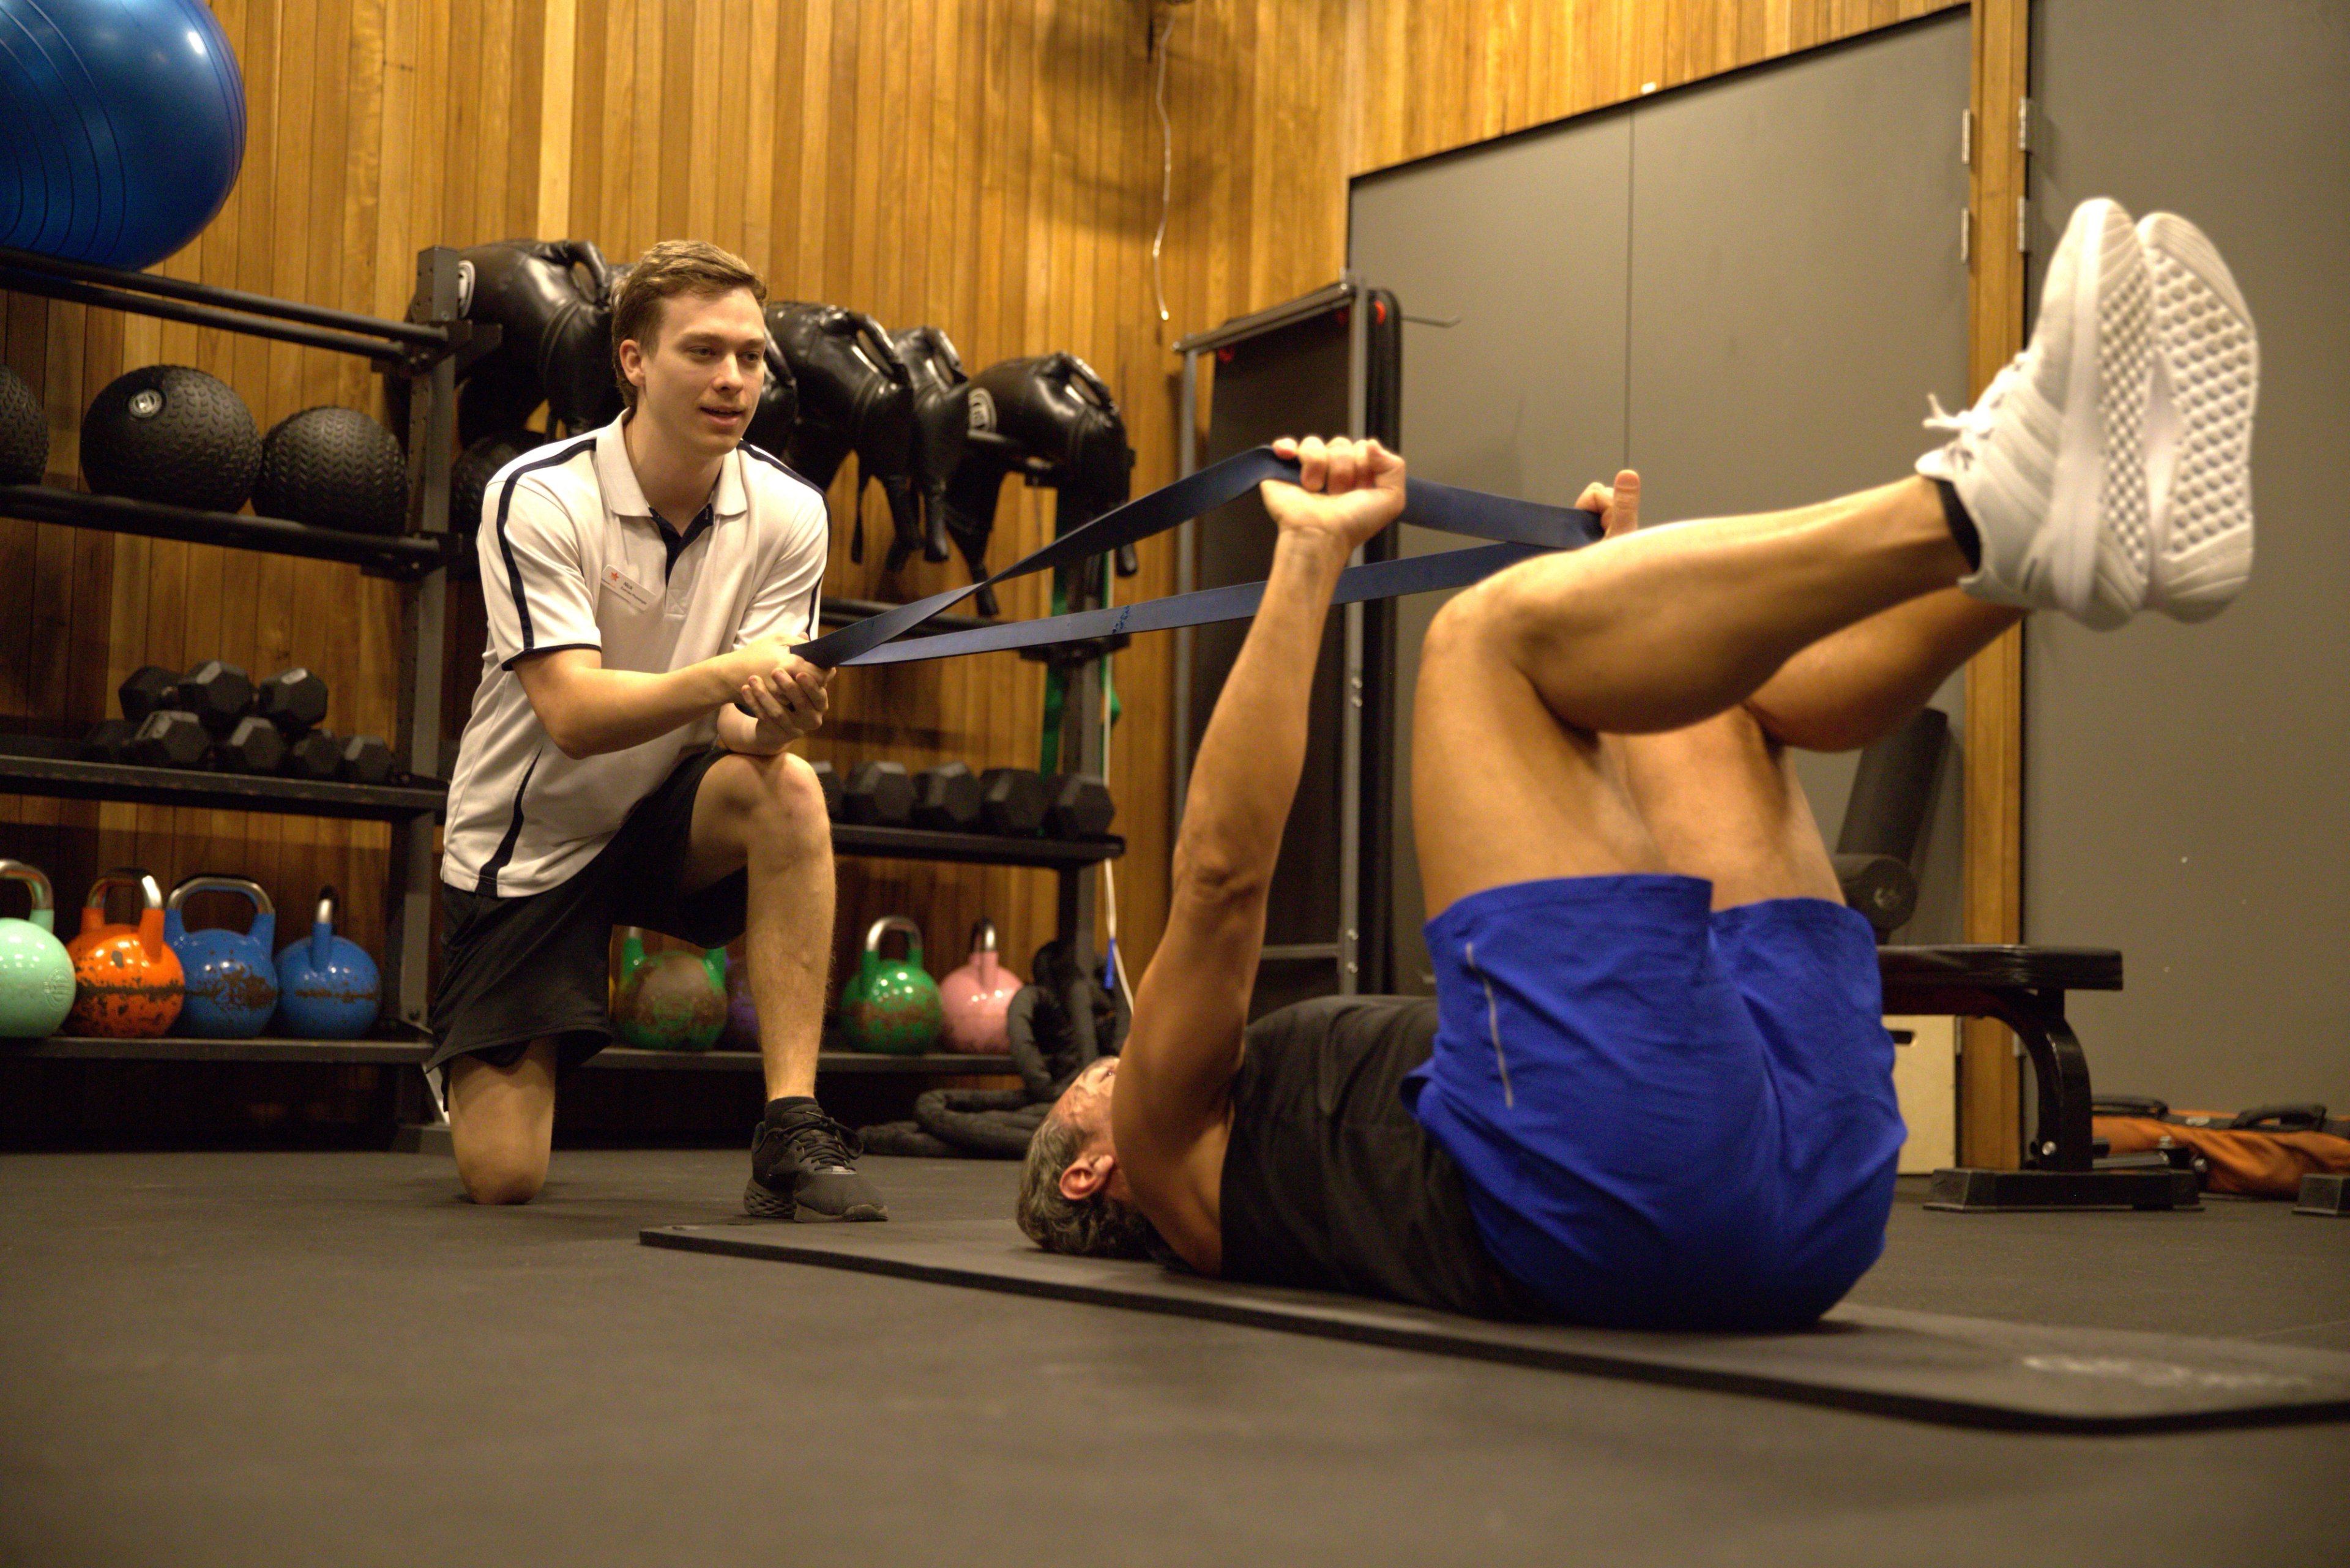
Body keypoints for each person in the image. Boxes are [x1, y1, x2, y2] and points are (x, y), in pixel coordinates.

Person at [1017, 198, 2257, 1328]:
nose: (1109, 1063)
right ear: (1090, 1164)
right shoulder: (1175, 1155)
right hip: (1609, 1203)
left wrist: (1634, 613)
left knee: (1712, 698)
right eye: (1088, 1082)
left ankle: (2050, 559)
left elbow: (1612, 882)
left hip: (1799, 1180)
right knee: (1485, 640)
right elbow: (1223, 876)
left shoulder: (1315, 1111)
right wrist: (1307, 558)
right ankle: (1980, 507)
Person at [431, 238, 885, 1222]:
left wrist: (775, 719)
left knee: (790, 789)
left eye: (753, 357)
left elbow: (736, 725)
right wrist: (727, 674)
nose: (734, 380)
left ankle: (791, 1121)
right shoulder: (540, 493)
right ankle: (478, 1043)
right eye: (703, 352)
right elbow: (574, 715)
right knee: (502, 1179)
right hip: (529, 842)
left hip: (661, 821)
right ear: (633, 362)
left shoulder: (791, 512)